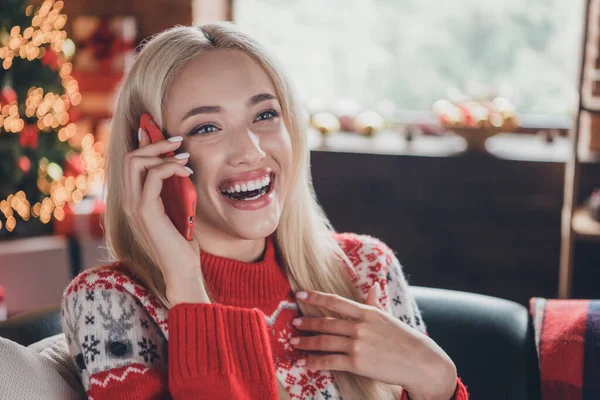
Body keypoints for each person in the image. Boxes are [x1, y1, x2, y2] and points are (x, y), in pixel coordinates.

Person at [61, 23, 468, 400]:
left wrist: (436, 379)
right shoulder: (109, 303)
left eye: (265, 115)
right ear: (150, 155)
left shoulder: (366, 268)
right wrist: (186, 281)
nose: (252, 151)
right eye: (207, 127)